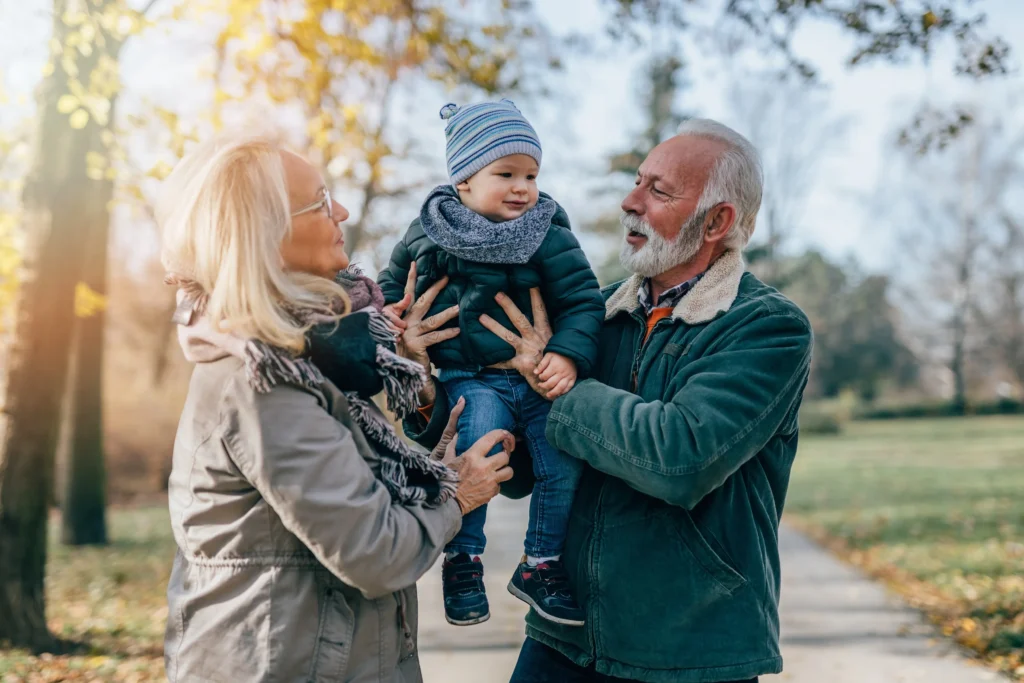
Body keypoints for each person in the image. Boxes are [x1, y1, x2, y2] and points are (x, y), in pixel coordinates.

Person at [405, 118, 814, 683]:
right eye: (637, 181)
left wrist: (558, 387)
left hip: (690, 650)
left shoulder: (766, 327)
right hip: (563, 635)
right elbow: (520, 470)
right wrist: (426, 389)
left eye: (658, 191)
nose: (630, 201)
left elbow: (682, 458)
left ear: (718, 220)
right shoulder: (591, 317)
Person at [158, 132, 515, 683]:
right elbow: (375, 553)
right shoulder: (264, 380)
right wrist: (458, 496)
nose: (342, 211)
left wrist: (430, 466)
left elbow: (347, 497)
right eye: (322, 202)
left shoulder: (305, 355)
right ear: (267, 234)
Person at [377, 99, 605, 628]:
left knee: (562, 459)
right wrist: (389, 315)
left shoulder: (547, 233)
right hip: (468, 378)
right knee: (477, 444)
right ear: (463, 181)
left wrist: (567, 355)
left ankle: (541, 564)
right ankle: (464, 559)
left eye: (531, 174)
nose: (523, 187)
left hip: (536, 382)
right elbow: (392, 290)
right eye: (505, 173)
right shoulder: (428, 231)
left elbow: (582, 301)